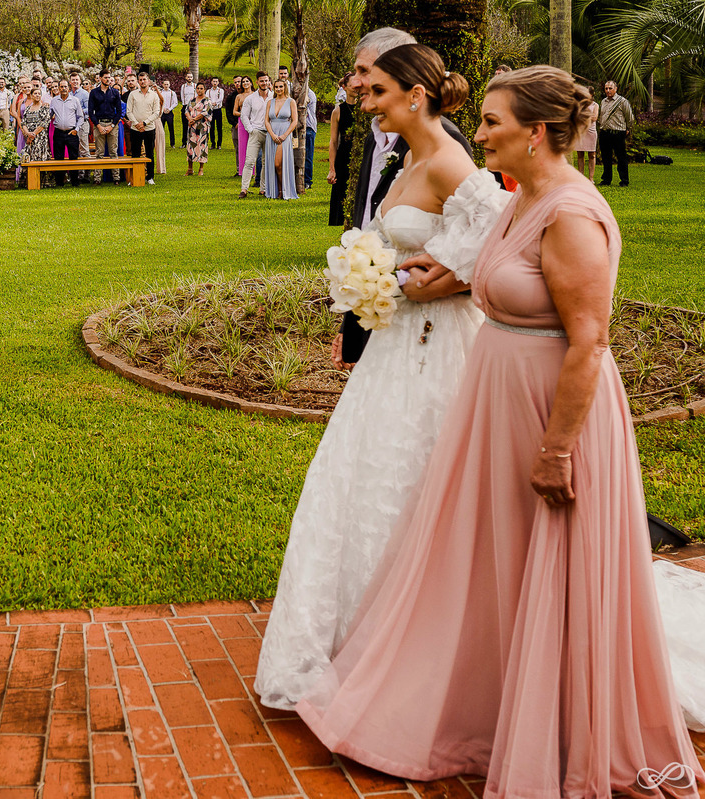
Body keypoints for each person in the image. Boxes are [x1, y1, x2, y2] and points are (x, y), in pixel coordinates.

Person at [292, 65, 705, 796]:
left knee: (549, 554)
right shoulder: (524, 200)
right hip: (497, 401)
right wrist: (430, 266)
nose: (477, 132)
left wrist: (556, 449)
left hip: (552, 412)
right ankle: (489, 700)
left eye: (491, 121)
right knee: (498, 552)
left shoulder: (571, 214)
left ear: (536, 133)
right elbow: (492, 270)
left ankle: (555, 720)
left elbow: (590, 341)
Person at [254, 41, 504, 713]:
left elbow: (502, 240)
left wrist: (438, 285)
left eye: (381, 92)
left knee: (418, 477)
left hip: (436, 349)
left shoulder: (450, 158)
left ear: (415, 95)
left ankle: (424, 644)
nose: (370, 100)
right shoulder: (404, 154)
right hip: (393, 350)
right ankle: (361, 632)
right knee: (362, 479)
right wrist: (373, 282)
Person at [334, 28, 473, 368]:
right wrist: (353, 324)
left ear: (413, 91)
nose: (356, 84)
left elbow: (490, 244)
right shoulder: (382, 141)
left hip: (435, 337)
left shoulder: (447, 151)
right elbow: (372, 235)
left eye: (369, 77)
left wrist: (437, 285)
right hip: (390, 324)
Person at [327, 73, 357, 225]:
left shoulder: (366, 108)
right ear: (344, 87)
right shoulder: (338, 111)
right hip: (344, 155)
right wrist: (332, 168)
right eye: (352, 84)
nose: (356, 87)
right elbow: (333, 141)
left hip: (362, 153)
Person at [263, 78, 298, 199]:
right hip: (271, 135)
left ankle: (283, 189)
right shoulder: (270, 102)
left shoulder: (291, 101)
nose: (278, 89)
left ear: (285, 87)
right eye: (276, 87)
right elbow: (266, 121)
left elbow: (294, 121)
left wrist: (284, 135)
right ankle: (276, 190)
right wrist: (272, 134)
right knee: (273, 164)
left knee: (278, 164)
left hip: (284, 135)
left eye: (281, 87)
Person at [239, 72, 272, 198]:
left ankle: (263, 189)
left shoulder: (273, 97)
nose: (264, 83)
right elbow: (244, 116)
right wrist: (251, 130)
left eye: (266, 81)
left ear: (269, 82)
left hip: (269, 133)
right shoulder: (250, 98)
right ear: (257, 82)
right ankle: (244, 189)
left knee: (265, 162)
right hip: (255, 132)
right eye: (261, 81)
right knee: (250, 161)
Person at [88, 71, 122, 184]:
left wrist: (112, 126)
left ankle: (116, 178)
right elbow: (90, 111)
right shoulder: (94, 93)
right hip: (99, 123)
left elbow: (119, 111)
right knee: (99, 152)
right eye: (106, 77)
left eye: (109, 77)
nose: (108, 80)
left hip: (112, 123)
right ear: (100, 78)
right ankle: (97, 178)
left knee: (113, 151)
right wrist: (98, 126)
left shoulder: (115, 93)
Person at [598, 79, 634, 187]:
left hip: (618, 132)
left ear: (616, 89)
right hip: (605, 132)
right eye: (606, 88)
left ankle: (624, 180)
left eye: (610, 88)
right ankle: (606, 179)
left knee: (621, 157)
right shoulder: (603, 101)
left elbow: (630, 117)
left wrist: (628, 128)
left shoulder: (622, 101)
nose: (608, 91)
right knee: (606, 157)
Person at [126, 72, 160, 185]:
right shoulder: (133, 94)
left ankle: (149, 177)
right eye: (140, 80)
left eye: (144, 79)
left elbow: (156, 113)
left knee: (150, 153)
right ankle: (134, 177)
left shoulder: (154, 95)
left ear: (148, 81)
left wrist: (144, 123)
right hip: (135, 129)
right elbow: (129, 111)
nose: (142, 81)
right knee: (135, 153)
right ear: (138, 81)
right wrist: (136, 124)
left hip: (149, 128)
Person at [49, 79, 83, 187]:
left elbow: (80, 117)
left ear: (68, 88)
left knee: (73, 157)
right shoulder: (54, 101)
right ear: (58, 88)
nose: (63, 89)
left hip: (71, 133)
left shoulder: (75, 100)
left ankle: (74, 182)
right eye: (61, 87)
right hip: (58, 133)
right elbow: (49, 115)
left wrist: (76, 129)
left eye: (65, 87)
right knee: (58, 158)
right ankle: (59, 182)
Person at [20, 86, 52, 186]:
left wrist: (34, 133)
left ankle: (42, 182)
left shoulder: (44, 107)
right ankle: (28, 183)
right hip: (29, 138)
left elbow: (44, 123)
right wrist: (27, 134)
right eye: (35, 93)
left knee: (39, 157)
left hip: (40, 138)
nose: (37, 95)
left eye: (39, 94)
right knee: (28, 158)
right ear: (31, 95)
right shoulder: (28, 108)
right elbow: (23, 122)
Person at [185, 82, 212, 176]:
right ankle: (190, 168)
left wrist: (194, 119)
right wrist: (190, 119)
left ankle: (201, 168)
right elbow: (187, 110)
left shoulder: (207, 101)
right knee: (190, 145)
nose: (199, 90)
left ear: (205, 89)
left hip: (202, 127)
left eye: (201, 88)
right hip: (191, 126)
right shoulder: (192, 100)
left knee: (202, 145)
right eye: (198, 88)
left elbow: (205, 112)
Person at [573, 84, 599, 180]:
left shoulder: (595, 105)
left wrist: (582, 116)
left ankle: (591, 178)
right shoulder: (579, 104)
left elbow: (594, 117)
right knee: (580, 154)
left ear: (592, 95)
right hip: (580, 131)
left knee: (592, 155)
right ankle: (581, 177)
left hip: (591, 131)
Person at [234, 76, 254, 179]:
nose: (245, 83)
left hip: (254, 121)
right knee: (243, 146)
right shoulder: (239, 96)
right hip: (242, 122)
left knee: (253, 145)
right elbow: (234, 111)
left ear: (251, 83)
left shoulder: (255, 95)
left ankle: (254, 171)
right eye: (243, 82)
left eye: (247, 81)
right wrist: (243, 115)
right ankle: (242, 171)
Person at [223, 75, 242, 175]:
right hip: (236, 125)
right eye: (236, 82)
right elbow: (229, 113)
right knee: (238, 148)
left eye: (239, 81)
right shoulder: (231, 97)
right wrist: (235, 124)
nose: (238, 84)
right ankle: (239, 169)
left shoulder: (249, 95)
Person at [301, 84, 317, 189]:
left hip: (308, 127)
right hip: (298, 128)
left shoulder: (309, 94)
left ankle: (307, 180)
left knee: (307, 156)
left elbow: (304, 112)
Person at [206, 77, 225, 149]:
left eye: (216, 81)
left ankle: (219, 144)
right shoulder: (208, 91)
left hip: (218, 109)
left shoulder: (221, 90)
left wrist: (215, 103)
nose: (215, 83)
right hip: (211, 110)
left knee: (219, 127)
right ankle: (213, 143)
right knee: (211, 127)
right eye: (213, 81)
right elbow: (207, 99)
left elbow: (221, 98)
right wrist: (211, 103)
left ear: (218, 82)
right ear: (211, 82)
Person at [159, 78, 178, 146]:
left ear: (169, 85)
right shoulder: (160, 92)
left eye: (167, 84)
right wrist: (163, 109)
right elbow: (158, 102)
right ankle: (160, 143)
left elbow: (175, 103)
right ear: (162, 85)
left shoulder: (172, 93)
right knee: (161, 129)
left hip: (169, 113)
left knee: (171, 128)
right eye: (165, 84)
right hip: (162, 113)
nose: (166, 85)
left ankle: (172, 144)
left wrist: (169, 109)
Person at [179, 72, 195, 147]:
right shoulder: (183, 86)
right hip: (185, 107)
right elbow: (182, 96)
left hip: (193, 107)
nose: (189, 78)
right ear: (186, 78)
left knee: (193, 125)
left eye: (191, 77)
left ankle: (192, 142)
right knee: (185, 126)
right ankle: (184, 143)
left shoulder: (195, 86)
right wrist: (184, 105)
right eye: (188, 77)